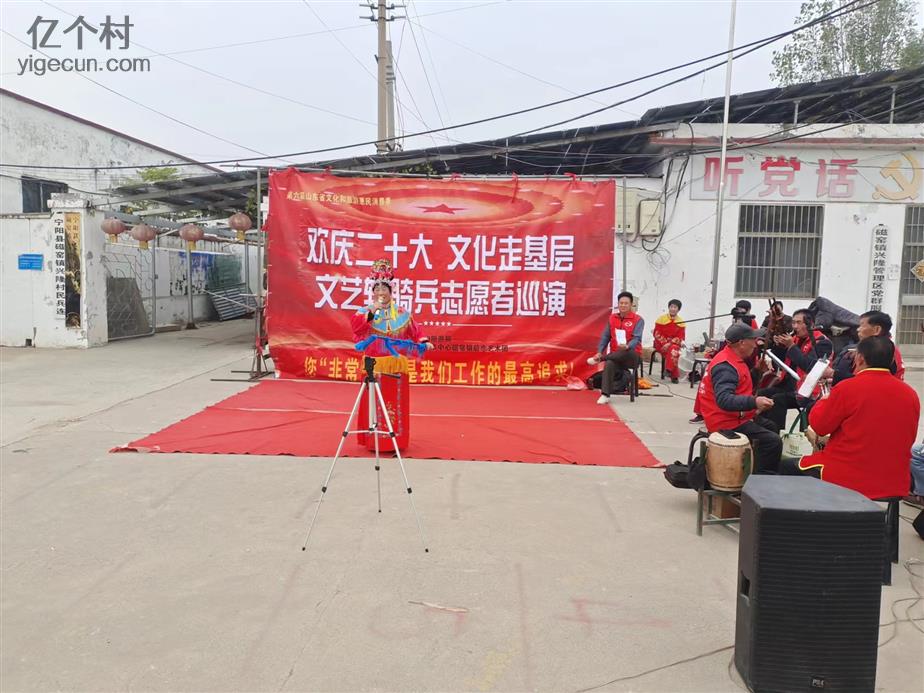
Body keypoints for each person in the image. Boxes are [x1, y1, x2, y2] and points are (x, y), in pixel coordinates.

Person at [779, 337, 920, 499]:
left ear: (860, 358)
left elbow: (819, 426)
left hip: (849, 476)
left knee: (785, 466)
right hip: (895, 480)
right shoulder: (910, 394)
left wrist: (824, 400)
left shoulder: (847, 388)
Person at [350, 259, 433, 451]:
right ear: (372, 292)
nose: (381, 292)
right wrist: (372, 311)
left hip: (396, 366)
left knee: (396, 403)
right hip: (374, 365)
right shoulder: (365, 312)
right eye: (377, 288)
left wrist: (423, 342)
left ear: (390, 291)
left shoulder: (402, 313)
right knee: (373, 404)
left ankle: (396, 441)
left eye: (384, 288)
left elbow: (415, 331)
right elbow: (356, 328)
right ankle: (374, 441)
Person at [697, 323, 781, 474]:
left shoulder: (731, 358)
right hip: (725, 422)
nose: (755, 344)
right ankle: (760, 481)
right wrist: (754, 402)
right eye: (753, 340)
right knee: (772, 442)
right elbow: (724, 400)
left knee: (771, 426)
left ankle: (753, 469)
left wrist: (756, 371)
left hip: (734, 417)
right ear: (742, 343)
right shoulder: (726, 366)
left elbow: (740, 385)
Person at [759, 308, 833, 432]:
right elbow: (782, 360)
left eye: (799, 322)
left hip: (809, 390)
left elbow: (810, 366)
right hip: (790, 384)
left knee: (777, 400)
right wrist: (779, 346)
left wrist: (791, 346)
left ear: (810, 324)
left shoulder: (822, 342)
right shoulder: (795, 338)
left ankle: (775, 435)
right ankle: (763, 432)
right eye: (793, 322)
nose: (795, 326)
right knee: (762, 394)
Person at [592, 291, 644, 404]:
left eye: (626, 303)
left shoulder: (638, 320)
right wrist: (600, 351)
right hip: (616, 356)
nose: (623, 305)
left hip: (632, 356)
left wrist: (627, 346)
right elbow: (605, 337)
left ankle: (601, 359)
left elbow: (637, 338)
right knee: (610, 363)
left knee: (626, 351)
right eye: (621, 303)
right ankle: (605, 394)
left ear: (631, 305)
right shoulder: (612, 318)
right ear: (618, 304)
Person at [829, 310, 904, 385]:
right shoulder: (865, 348)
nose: (858, 329)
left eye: (862, 325)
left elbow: (871, 381)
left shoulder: (885, 351)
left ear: (877, 330)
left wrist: (833, 374)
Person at [652, 299, 686, 384]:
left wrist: (669, 344)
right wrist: (664, 343)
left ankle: (669, 370)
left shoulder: (681, 322)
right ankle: (673, 374)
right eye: (671, 307)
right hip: (660, 343)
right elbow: (656, 333)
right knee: (674, 350)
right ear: (669, 307)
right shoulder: (661, 319)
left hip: (672, 344)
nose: (673, 309)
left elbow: (680, 337)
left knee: (673, 348)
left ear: (678, 309)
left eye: (675, 307)